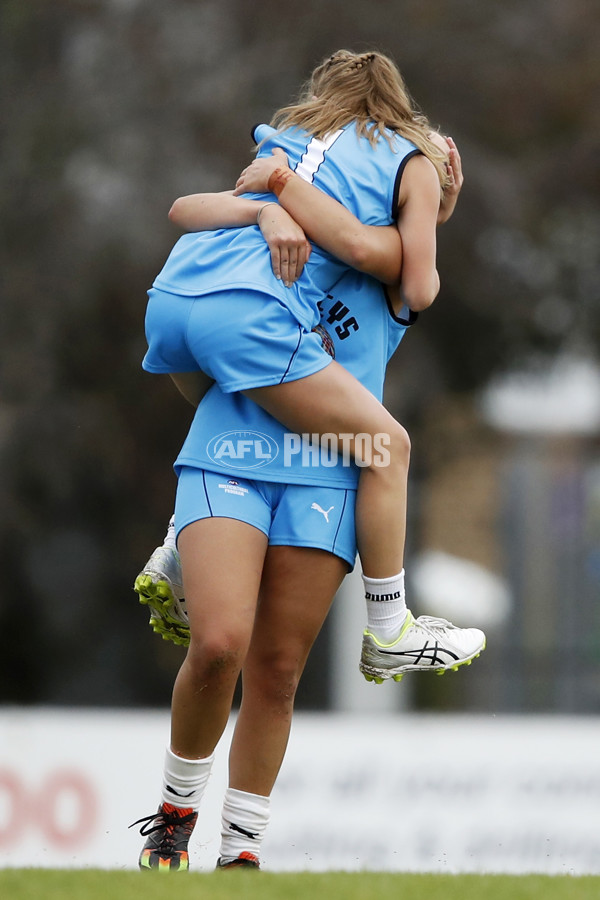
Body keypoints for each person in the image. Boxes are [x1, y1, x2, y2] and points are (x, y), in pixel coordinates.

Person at [131, 133, 485, 870]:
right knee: (219, 644)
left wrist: (427, 201)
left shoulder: (387, 256)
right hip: (231, 446)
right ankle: (173, 817)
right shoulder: (289, 219)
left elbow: (403, 269)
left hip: (325, 472)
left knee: (278, 671)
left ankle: (242, 852)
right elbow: (186, 209)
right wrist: (265, 210)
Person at [141, 48, 467, 673]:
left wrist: (275, 201)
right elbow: (415, 283)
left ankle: (179, 541)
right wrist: (432, 209)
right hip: (254, 333)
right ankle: (389, 623)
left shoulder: (288, 145)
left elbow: (186, 209)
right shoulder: (410, 162)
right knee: (386, 448)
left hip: (177, 307)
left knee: (232, 410)